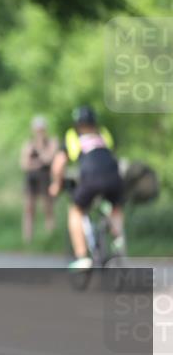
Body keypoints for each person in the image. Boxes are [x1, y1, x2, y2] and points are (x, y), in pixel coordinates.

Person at [49, 106, 125, 270]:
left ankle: (82, 256)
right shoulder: (103, 134)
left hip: (91, 178)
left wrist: (56, 184)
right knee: (115, 207)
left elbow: (58, 164)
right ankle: (118, 240)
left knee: (76, 211)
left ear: (77, 123)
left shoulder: (72, 136)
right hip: (114, 175)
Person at [19, 115, 58, 243]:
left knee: (48, 208)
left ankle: (50, 237)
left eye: (41, 129)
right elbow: (24, 164)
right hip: (31, 179)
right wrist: (39, 161)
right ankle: (27, 239)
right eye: (37, 129)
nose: (39, 132)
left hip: (45, 178)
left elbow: (49, 158)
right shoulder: (28, 144)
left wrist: (38, 154)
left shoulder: (51, 142)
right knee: (29, 208)